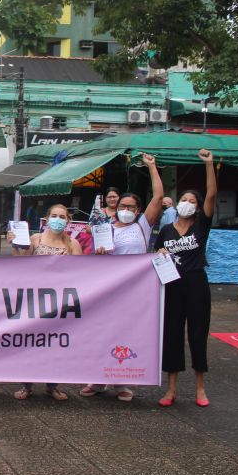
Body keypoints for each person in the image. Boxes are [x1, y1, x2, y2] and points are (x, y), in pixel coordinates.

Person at [82, 153, 163, 402]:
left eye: (131, 207)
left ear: (138, 210)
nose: (127, 210)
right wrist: (101, 254)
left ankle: (123, 382)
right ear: (116, 208)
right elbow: (93, 262)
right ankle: (98, 378)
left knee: (127, 334)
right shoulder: (105, 229)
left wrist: (152, 167)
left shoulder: (142, 227)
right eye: (123, 207)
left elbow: (158, 196)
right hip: (108, 291)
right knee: (103, 333)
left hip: (135, 292)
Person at [156, 148, 217, 408]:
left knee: (197, 334)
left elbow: (212, 194)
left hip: (196, 283)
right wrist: (159, 252)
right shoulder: (167, 229)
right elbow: (156, 255)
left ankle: (200, 388)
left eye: (193, 200)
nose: (187, 203)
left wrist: (209, 164)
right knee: (172, 334)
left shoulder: (201, 225)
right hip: (171, 285)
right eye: (184, 199)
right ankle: (171, 389)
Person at [7, 204, 83, 402]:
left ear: (68, 221)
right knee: (32, 343)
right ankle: (26, 385)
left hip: (61, 304)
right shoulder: (36, 239)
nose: (58, 219)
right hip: (34, 301)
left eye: (62, 216)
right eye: (54, 215)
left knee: (56, 346)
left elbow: (84, 274)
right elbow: (20, 264)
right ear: (47, 218)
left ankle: (52, 386)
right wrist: (15, 246)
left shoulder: (73, 244)